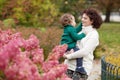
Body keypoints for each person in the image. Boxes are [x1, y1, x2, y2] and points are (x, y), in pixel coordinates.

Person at [63, 8, 103, 80]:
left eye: (85, 18)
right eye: (82, 17)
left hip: (81, 70)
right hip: (68, 66)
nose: (82, 20)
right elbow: (69, 42)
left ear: (92, 21)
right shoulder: (80, 30)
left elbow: (84, 51)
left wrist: (69, 56)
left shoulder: (93, 35)